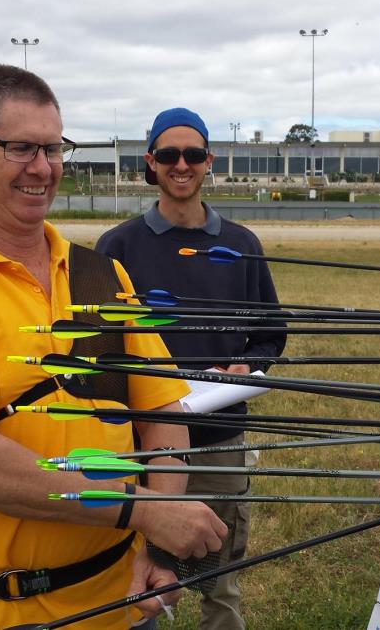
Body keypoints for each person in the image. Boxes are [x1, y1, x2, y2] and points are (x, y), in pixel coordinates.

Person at [0, 65, 227, 630]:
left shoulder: (101, 276)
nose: (42, 168)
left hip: (119, 604)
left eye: (53, 148)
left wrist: (159, 547)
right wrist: (143, 511)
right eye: (21, 148)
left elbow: (163, 415)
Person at [96, 107, 287, 630]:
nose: (181, 165)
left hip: (218, 439)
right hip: (141, 445)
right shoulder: (117, 246)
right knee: (133, 582)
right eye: (169, 154)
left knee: (218, 583)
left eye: (193, 154)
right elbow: (99, 347)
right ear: (151, 162)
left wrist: (248, 364)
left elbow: (271, 334)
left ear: (209, 160)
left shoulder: (242, 245)